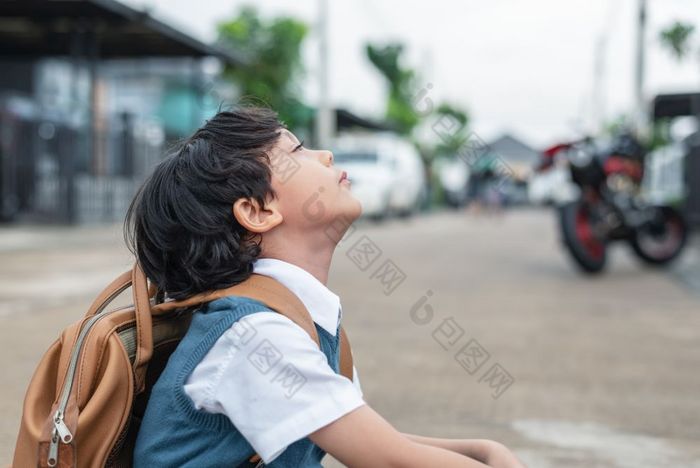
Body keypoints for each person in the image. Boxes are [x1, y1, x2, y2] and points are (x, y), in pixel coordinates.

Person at [126, 106, 525, 467]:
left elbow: (369, 440)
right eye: (297, 153)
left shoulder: (294, 317)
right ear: (257, 212)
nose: (326, 155)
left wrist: (482, 449)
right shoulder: (255, 337)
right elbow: (390, 461)